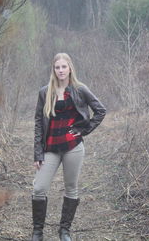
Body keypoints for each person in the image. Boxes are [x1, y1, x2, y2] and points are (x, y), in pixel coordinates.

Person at [31, 53, 106, 241]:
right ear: (53, 70)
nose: (61, 70)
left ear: (70, 68)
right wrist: (38, 153)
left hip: (73, 147)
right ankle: (37, 232)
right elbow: (39, 123)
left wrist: (83, 130)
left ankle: (64, 231)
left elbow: (100, 110)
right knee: (39, 188)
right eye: (57, 67)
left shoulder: (80, 90)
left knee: (71, 187)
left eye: (64, 67)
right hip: (50, 148)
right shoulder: (44, 92)